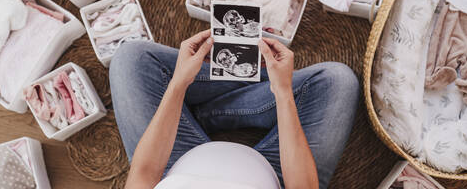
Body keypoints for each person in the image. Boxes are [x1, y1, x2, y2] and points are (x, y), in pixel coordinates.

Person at [110, 30, 359, 189]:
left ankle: (203, 110)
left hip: (172, 163)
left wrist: (179, 84)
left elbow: (144, 173)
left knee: (131, 58)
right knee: (337, 81)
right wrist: (282, 93)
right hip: (278, 174)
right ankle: (245, 86)